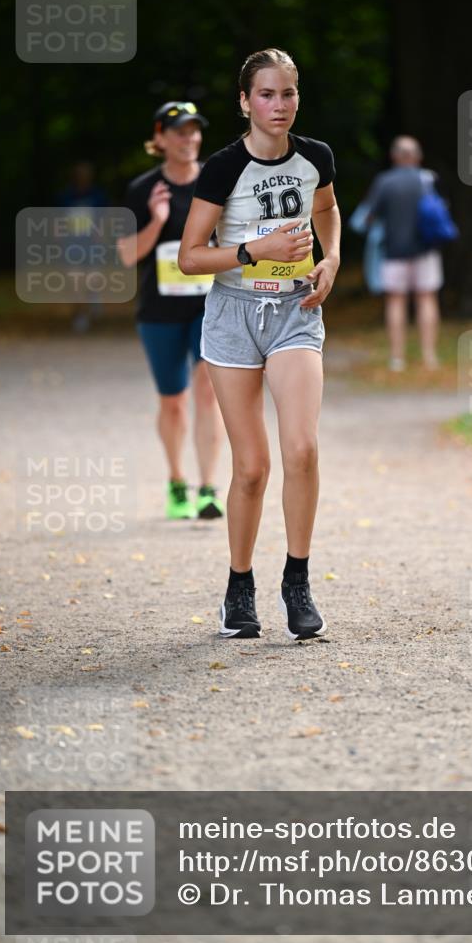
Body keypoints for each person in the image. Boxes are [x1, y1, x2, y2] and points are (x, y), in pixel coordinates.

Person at [179, 48, 340, 641]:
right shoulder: (223, 168)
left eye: (289, 93)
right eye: (267, 95)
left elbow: (326, 209)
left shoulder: (316, 157)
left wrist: (332, 258)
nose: (280, 105)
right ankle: (238, 585)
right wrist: (255, 251)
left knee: (302, 449)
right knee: (252, 467)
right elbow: (189, 256)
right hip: (233, 315)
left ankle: (296, 581)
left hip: (295, 311)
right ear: (245, 102)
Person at [118, 102, 226, 519]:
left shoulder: (217, 182)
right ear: (159, 139)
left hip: (210, 305)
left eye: (194, 131)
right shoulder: (143, 189)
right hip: (160, 311)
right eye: (179, 131)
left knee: (207, 392)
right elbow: (128, 255)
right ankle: (177, 481)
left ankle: (208, 488)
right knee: (173, 401)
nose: (189, 139)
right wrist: (157, 219)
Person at [366, 136, 444, 372]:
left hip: (393, 252)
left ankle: (397, 358)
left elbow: (369, 217)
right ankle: (429, 356)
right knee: (427, 298)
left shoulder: (384, 182)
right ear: (418, 157)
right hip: (426, 250)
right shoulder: (428, 179)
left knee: (396, 301)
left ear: (394, 157)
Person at [56, 161, 109, 333]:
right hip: (72, 244)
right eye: (80, 175)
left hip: (92, 244)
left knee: (92, 277)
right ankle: (80, 314)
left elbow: (105, 219)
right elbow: (57, 221)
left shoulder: (98, 196)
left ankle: (93, 296)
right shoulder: (65, 197)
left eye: (86, 175)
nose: (83, 178)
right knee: (75, 280)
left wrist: (101, 236)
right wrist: (59, 236)